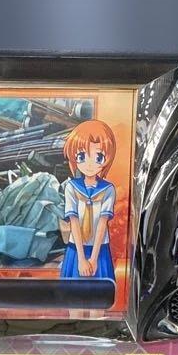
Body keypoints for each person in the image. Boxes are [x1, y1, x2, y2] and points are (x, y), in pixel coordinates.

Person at [60, 118, 118, 282]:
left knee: (99, 296)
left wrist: (93, 259)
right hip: (76, 249)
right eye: (82, 156)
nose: (90, 164)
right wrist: (81, 259)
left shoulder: (108, 189)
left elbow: (102, 223)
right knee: (73, 296)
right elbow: (74, 222)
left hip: (100, 249)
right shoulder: (71, 187)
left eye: (98, 157)